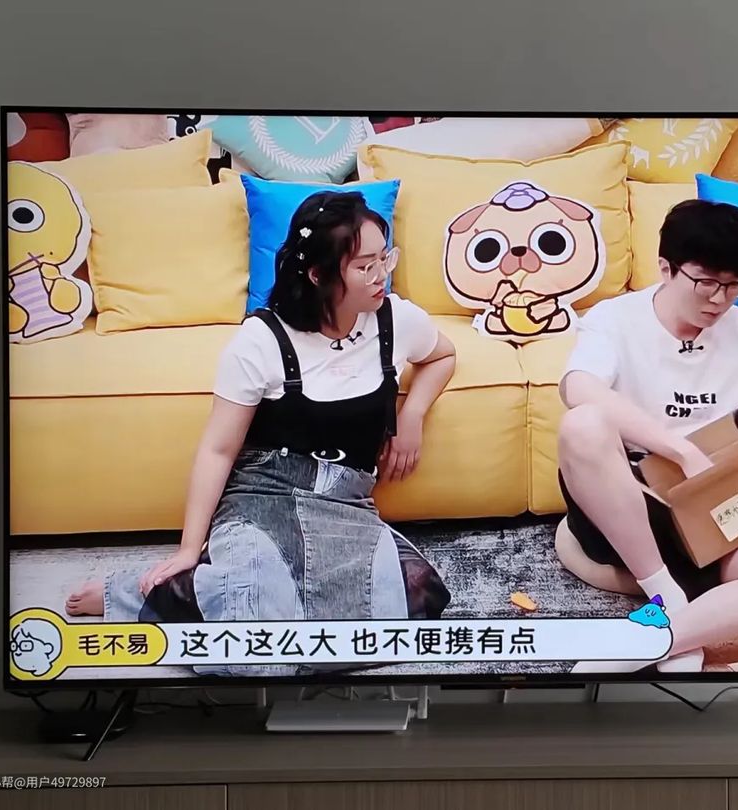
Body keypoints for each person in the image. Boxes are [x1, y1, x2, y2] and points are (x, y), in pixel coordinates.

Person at [66, 191, 457, 675]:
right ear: (319, 275)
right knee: (253, 646)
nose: (381, 275)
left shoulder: (397, 320)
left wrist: (412, 416)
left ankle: (225, 594)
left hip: (345, 504)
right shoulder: (260, 341)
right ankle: (134, 594)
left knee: (419, 598)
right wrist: (188, 549)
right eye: (364, 266)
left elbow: (443, 355)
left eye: (385, 259)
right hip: (263, 497)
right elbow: (218, 449)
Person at [555, 199, 738, 674]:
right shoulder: (615, 319)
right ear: (666, 268)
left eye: (735, 284)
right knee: (583, 424)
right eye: (706, 282)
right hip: (633, 506)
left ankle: (657, 637)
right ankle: (663, 591)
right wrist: (679, 449)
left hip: (718, 508)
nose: (720, 300)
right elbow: (578, 387)